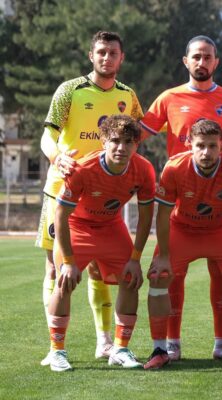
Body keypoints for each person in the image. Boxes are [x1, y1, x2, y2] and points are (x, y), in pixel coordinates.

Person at [140, 35, 222, 362]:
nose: (202, 62)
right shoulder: (169, 98)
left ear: (216, 62)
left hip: (221, 211)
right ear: (186, 61)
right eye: (196, 56)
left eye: (208, 57)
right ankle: (170, 344)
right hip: (181, 209)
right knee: (168, 276)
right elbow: (134, 135)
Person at [37, 30, 143, 365]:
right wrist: (57, 157)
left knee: (101, 271)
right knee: (56, 269)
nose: (106, 58)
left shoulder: (128, 96)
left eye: (113, 53)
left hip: (105, 197)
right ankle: (54, 347)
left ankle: (105, 342)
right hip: (63, 190)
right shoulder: (69, 90)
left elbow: (137, 136)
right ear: (91, 56)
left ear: (121, 58)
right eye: (101, 52)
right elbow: (47, 136)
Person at [145, 120, 222, 370]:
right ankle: (161, 348)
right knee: (159, 275)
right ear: (189, 144)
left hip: (220, 230)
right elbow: (162, 215)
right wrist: (163, 255)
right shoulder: (175, 168)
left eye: (212, 146)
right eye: (200, 146)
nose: (206, 152)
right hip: (183, 230)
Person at [46, 115, 154, 371]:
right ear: (104, 141)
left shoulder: (144, 169)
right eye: (115, 141)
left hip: (111, 226)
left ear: (136, 145)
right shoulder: (83, 169)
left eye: (128, 142)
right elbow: (61, 215)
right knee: (64, 282)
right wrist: (68, 262)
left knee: (131, 278)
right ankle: (56, 351)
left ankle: (120, 348)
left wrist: (136, 258)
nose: (121, 147)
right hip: (78, 226)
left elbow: (146, 216)